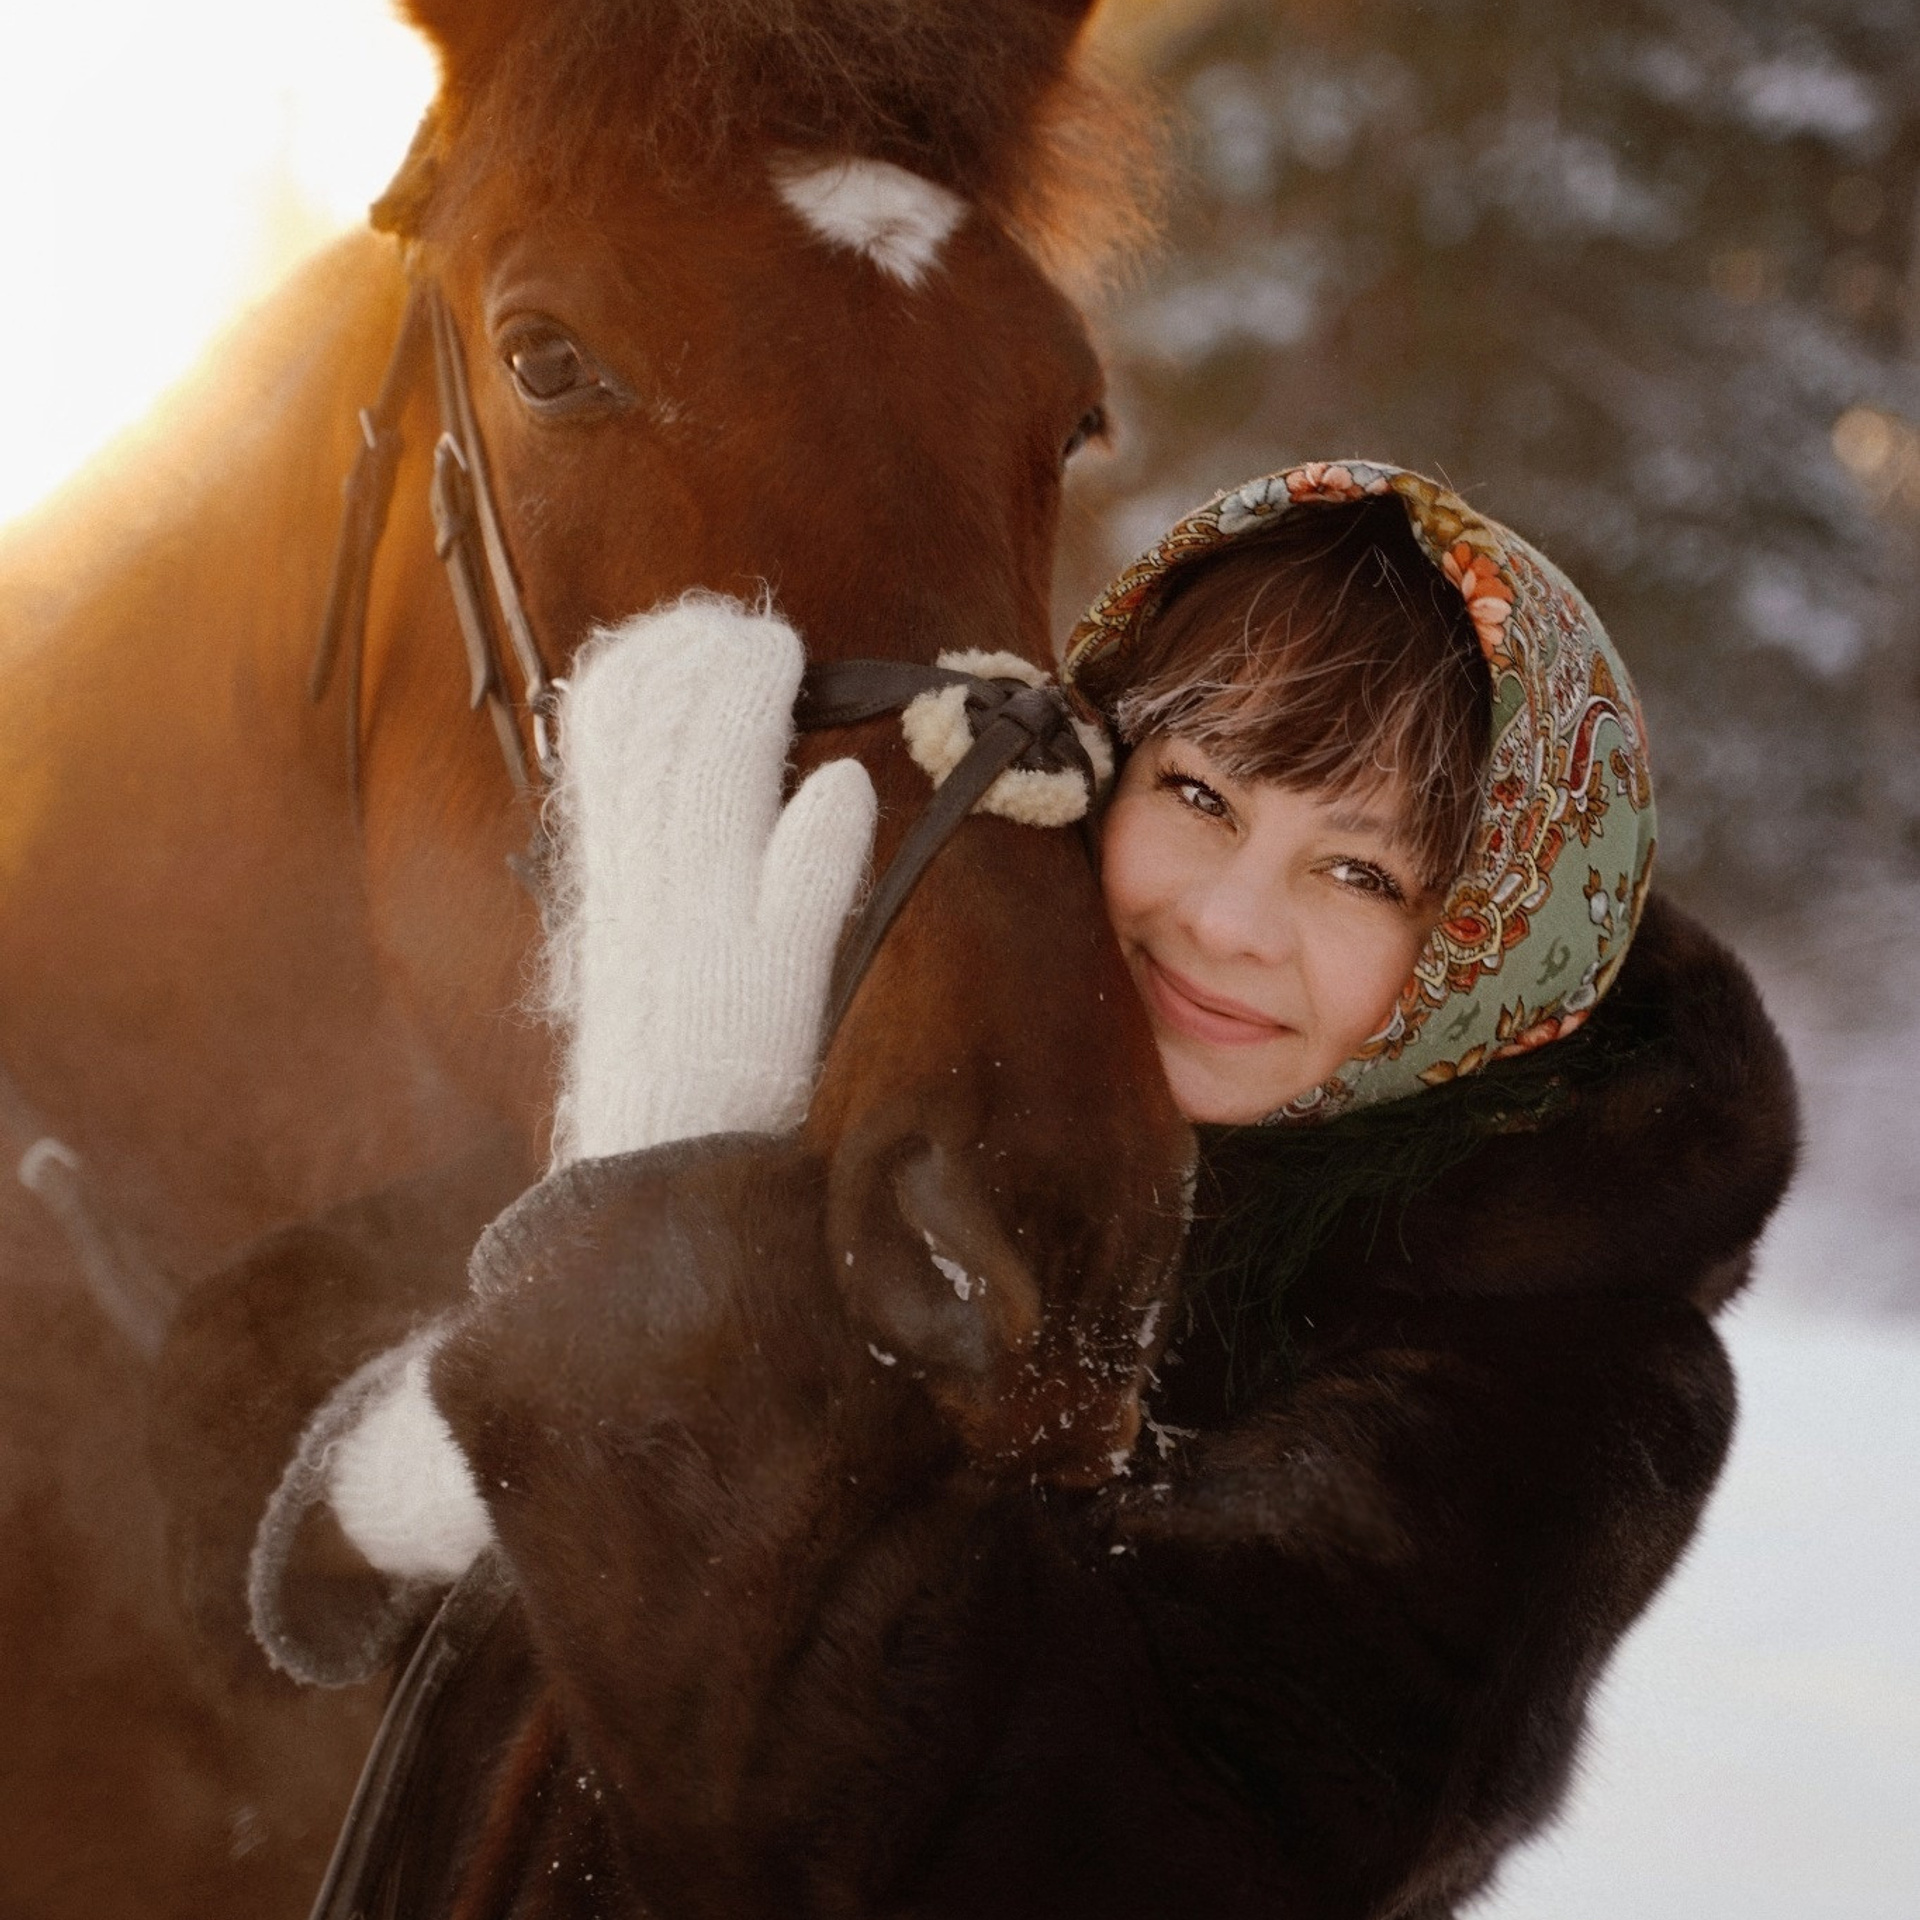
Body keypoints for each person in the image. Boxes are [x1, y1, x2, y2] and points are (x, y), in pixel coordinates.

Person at [231, 463, 1797, 1914]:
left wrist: (680, 1286)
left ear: (1493, 942)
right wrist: (416, 1466)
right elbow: (235, 1414)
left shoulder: (1546, 1380)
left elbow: (1019, 1853)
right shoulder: (942, 1078)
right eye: (1200, 796)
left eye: (1361, 872)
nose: (1229, 920)